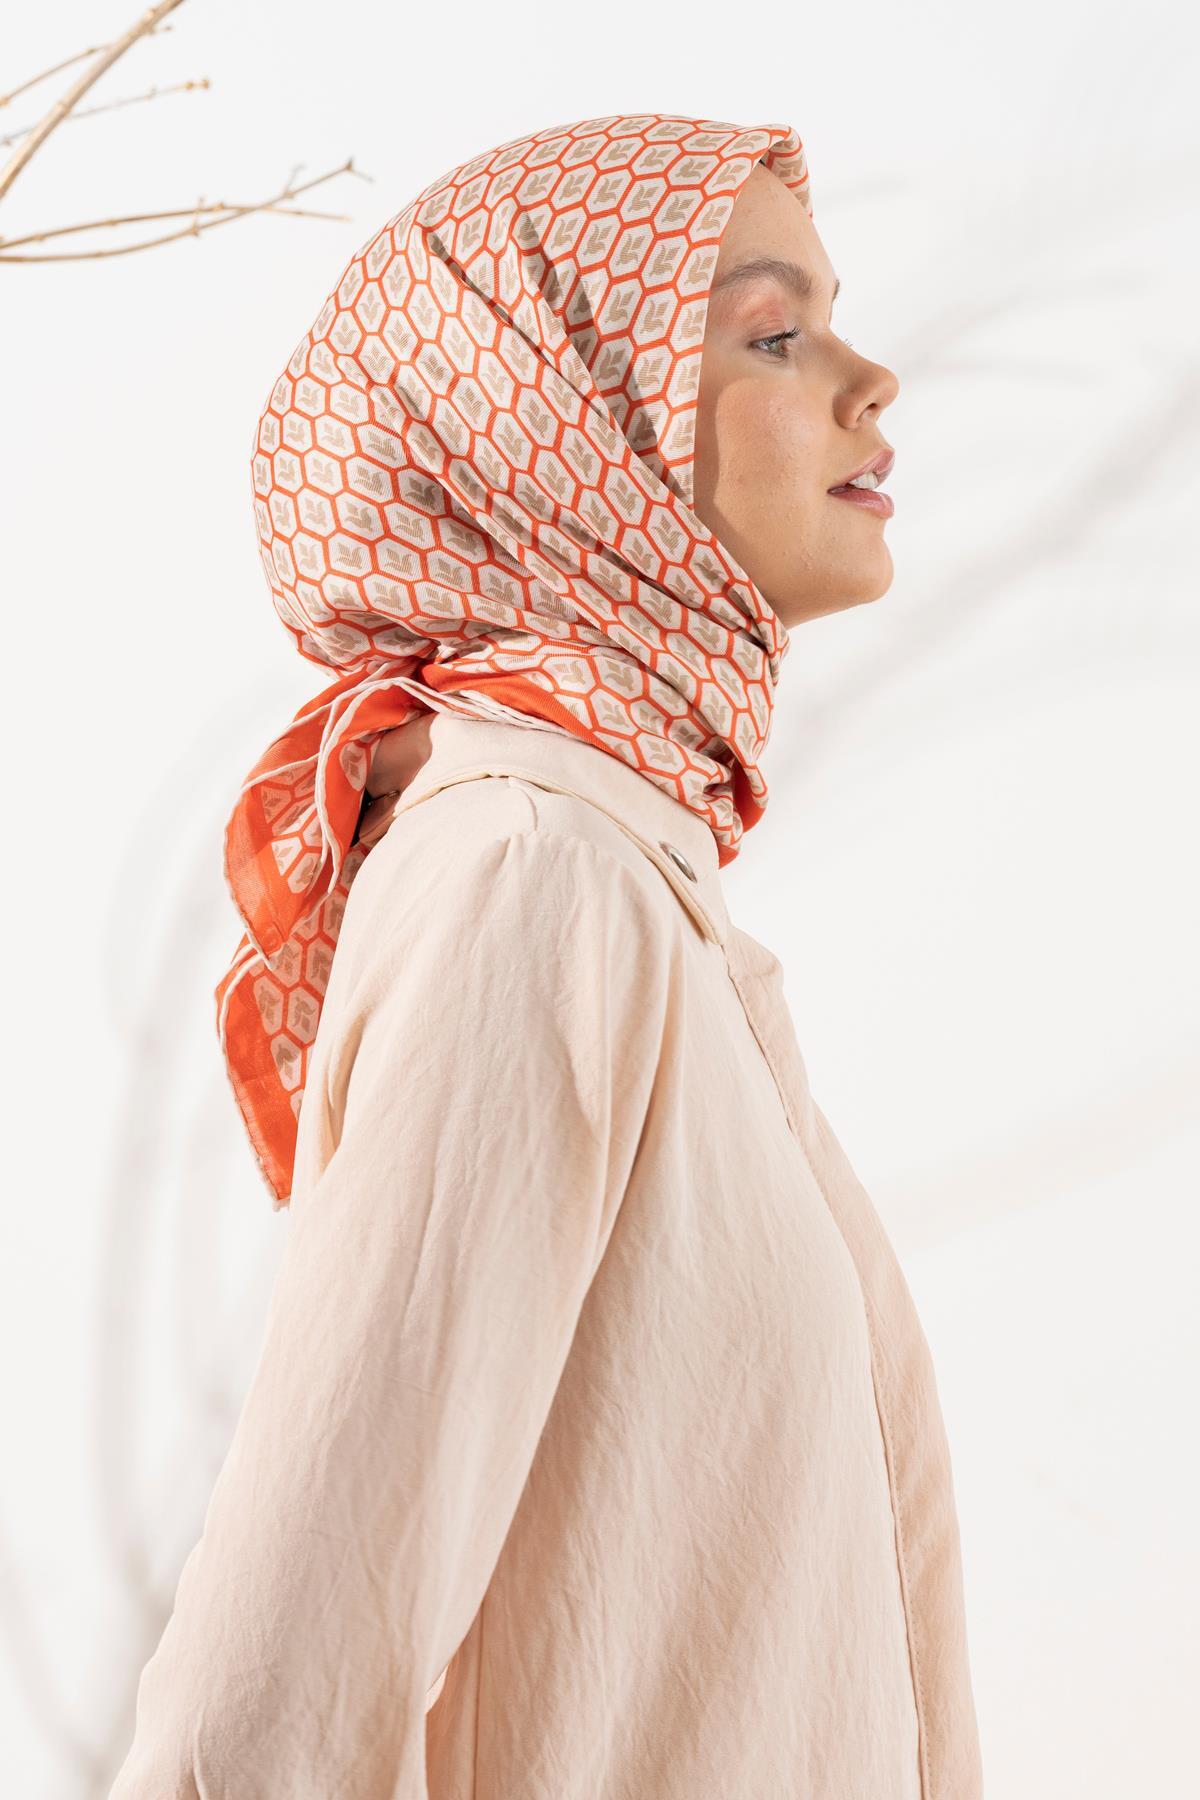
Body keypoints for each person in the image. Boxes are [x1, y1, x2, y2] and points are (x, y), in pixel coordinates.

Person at [109, 113, 984, 1799]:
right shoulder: (533, 878)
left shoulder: (635, 885)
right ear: (562, 424)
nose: (872, 381)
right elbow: (283, 1672)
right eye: (773, 334)